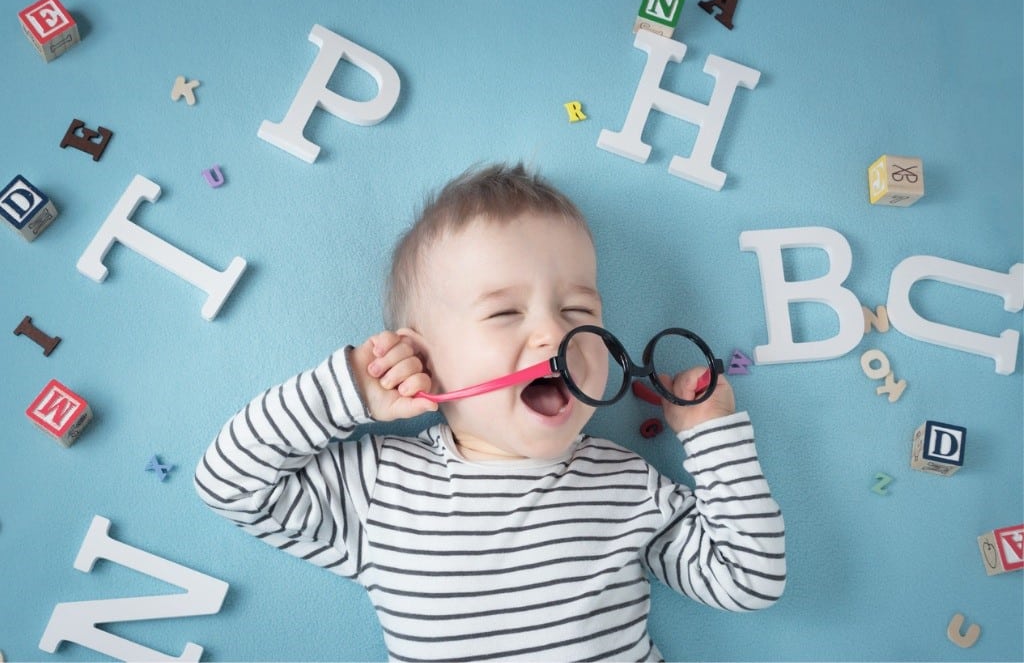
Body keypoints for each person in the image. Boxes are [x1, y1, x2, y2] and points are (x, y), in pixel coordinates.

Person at [194, 163, 786, 662]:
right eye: (505, 314)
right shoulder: (379, 488)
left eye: (579, 311)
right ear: (421, 356)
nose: (555, 332)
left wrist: (711, 434)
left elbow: (749, 581)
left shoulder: (627, 485)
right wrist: (353, 388)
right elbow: (228, 484)